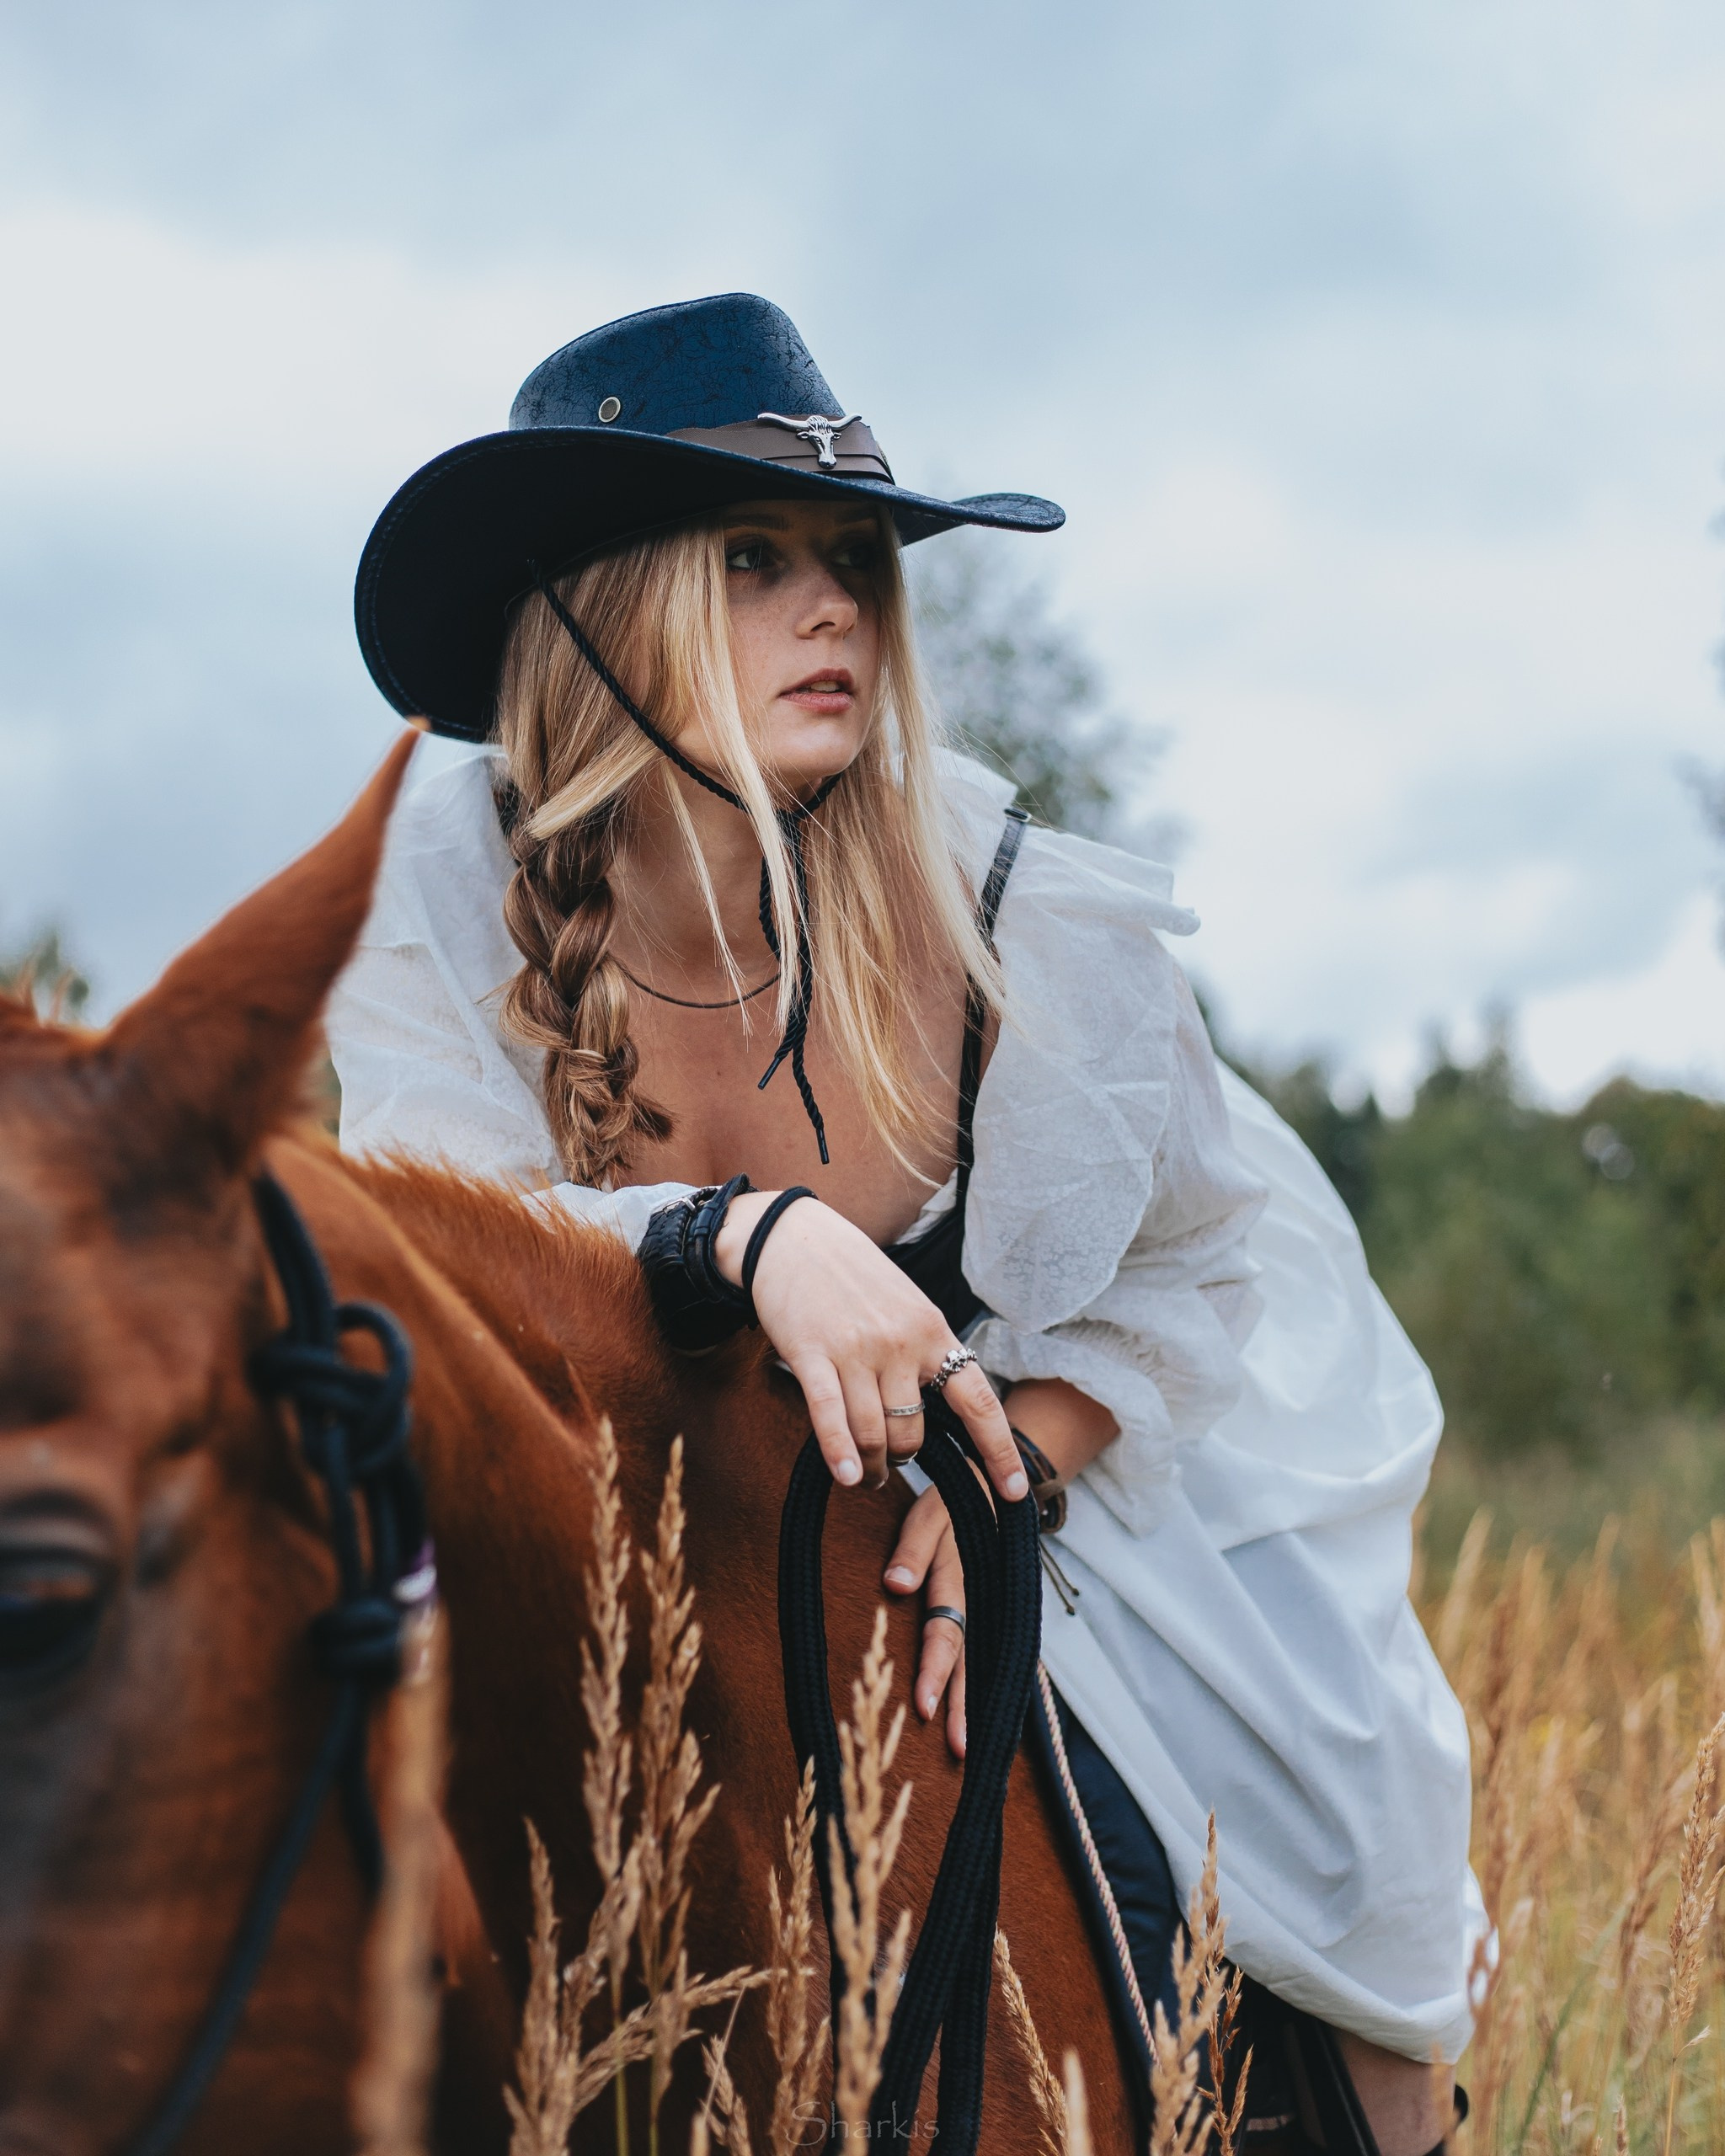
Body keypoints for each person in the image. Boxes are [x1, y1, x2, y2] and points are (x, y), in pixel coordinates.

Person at [329, 294, 1484, 2154]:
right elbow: (439, 1255)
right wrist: (740, 1238)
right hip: (631, 1503)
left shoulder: (1012, 914)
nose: (837, 612)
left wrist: (1020, 1457)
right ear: (606, 604)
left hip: (1027, 1465)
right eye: (755, 559)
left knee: (1338, 1845)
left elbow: (1196, 1263)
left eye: (856, 563)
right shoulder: (441, 890)